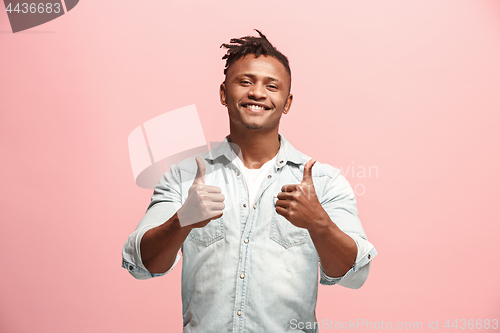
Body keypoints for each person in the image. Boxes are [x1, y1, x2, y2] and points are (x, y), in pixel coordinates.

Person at [122, 30, 377, 333]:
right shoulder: (184, 177)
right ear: (223, 93)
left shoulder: (323, 181)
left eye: (272, 86)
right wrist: (182, 221)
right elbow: (142, 264)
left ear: (287, 102)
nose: (257, 93)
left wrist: (318, 223)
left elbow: (354, 274)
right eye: (245, 82)